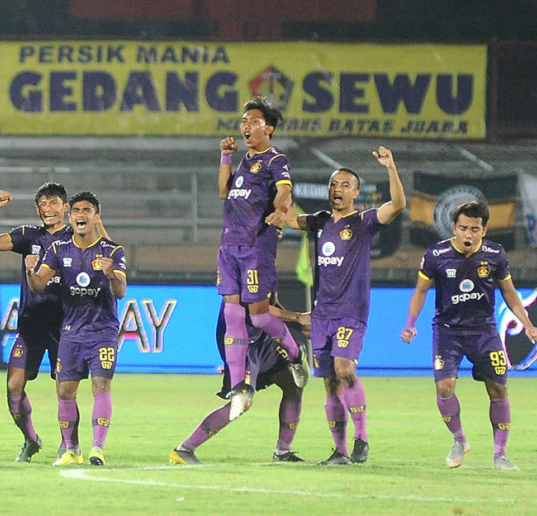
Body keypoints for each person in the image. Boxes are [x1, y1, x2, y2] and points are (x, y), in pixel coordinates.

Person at [282, 146, 406, 465]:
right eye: (334, 184)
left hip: (351, 312)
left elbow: (398, 204)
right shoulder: (321, 221)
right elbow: (288, 218)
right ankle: (340, 452)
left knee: (344, 369)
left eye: (345, 185)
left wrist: (391, 167)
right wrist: (272, 201)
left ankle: (361, 437)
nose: (337, 189)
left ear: (356, 192)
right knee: (329, 383)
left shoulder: (364, 222)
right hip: (322, 313)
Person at [400, 200, 537, 470]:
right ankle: (459, 440)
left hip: (484, 332)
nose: (468, 234)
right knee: (444, 387)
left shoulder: (495, 254)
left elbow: (509, 292)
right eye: (463, 228)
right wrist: (410, 323)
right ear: (454, 227)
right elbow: (420, 290)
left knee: (498, 388)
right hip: (447, 331)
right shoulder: (436, 255)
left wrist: (527, 323)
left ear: (484, 230)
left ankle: (500, 454)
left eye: (475, 229)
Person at [217, 97, 308, 422]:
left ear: (268, 128)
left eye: (252, 121)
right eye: (243, 120)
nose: (245, 126)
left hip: (256, 247)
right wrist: (226, 157)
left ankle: (296, 355)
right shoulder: (243, 161)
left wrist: (279, 210)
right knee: (232, 312)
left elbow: (285, 190)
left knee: (257, 317)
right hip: (230, 246)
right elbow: (224, 192)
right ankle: (240, 384)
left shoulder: (275, 159)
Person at [26, 191, 126, 467]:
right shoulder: (59, 250)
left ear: (97, 215)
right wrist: (30, 271)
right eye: (77, 211)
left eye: (87, 210)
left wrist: (111, 274)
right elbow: (38, 285)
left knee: (101, 385)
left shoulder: (113, 251)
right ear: (71, 217)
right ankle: (72, 449)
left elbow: (120, 292)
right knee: (65, 391)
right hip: (70, 331)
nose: (81, 215)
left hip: (103, 331)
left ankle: (97, 448)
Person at [0, 183, 75, 462]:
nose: (48, 209)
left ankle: (68, 444)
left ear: (65, 207)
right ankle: (31, 439)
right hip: (31, 326)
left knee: (65, 389)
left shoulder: (76, 238)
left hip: (65, 326)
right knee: (13, 387)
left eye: (54, 203)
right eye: (43, 204)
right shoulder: (29, 235)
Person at [169, 296, 311, 465]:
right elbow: (257, 309)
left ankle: (282, 452)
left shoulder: (267, 270)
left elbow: (271, 304)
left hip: (261, 338)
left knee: (293, 383)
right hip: (241, 342)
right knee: (242, 402)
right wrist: (297, 317)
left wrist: (300, 325)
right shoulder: (248, 271)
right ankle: (184, 449)